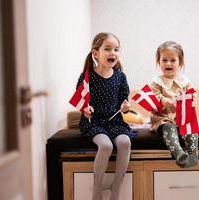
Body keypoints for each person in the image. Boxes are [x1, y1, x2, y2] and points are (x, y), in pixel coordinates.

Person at [76, 32, 133, 200]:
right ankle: (97, 186)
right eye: (107, 49)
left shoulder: (120, 77)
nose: (113, 53)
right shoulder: (88, 76)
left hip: (114, 121)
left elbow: (124, 101)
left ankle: (116, 188)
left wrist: (125, 107)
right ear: (96, 53)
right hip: (94, 122)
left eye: (116, 49)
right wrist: (85, 109)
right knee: (106, 146)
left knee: (125, 142)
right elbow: (81, 101)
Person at [150, 41, 199, 168]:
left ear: (180, 63)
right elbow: (153, 99)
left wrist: (189, 99)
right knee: (168, 128)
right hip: (163, 118)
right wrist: (162, 99)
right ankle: (178, 153)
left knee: (190, 126)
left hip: (181, 117)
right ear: (159, 62)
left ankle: (193, 155)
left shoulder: (185, 82)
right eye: (164, 60)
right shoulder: (156, 82)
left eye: (173, 60)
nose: (168, 63)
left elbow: (192, 99)